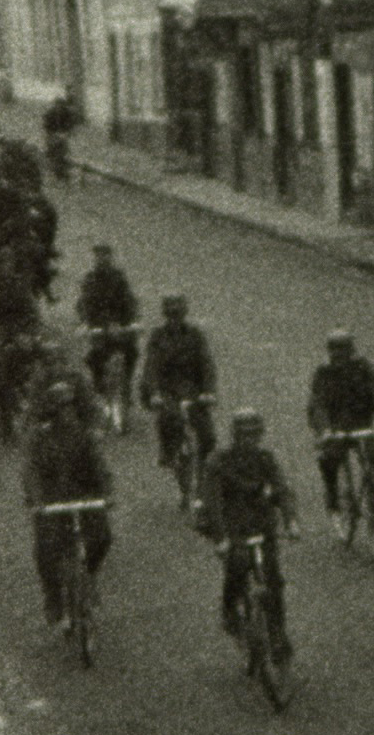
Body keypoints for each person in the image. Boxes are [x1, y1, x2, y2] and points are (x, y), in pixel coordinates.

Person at [202, 409, 300, 649]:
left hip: (261, 521)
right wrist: (220, 537)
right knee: (236, 563)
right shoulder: (219, 461)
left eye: (254, 435)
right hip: (231, 523)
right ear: (234, 436)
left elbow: (282, 489)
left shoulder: (265, 458)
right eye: (244, 435)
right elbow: (213, 501)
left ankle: (277, 632)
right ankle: (229, 610)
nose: (249, 440)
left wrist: (291, 521)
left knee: (274, 580)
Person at [21, 380, 114, 630]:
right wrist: (37, 500)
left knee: (103, 537)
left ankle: (90, 575)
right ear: (52, 411)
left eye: (70, 407)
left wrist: (106, 493)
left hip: (84, 497)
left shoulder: (84, 435)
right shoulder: (39, 439)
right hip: (51, 501)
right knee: (45, 551)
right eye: (62, 408)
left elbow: (100, 465)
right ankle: (53, 598)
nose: (67, 412)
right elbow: (31, 471)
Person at [306, 329, 374, 523]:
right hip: (336, 426)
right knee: (329, 458)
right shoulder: (323, 373)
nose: (340, 357)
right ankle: (332, 494)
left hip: (362, 422)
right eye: (336, 352)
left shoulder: (364, 367)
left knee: (373, 462)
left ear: (351, 351)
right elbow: (317, 404)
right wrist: (325, 430)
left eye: (344, 352)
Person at [140, 294, 217, 467]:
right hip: (166, 389)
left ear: (184, 314)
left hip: (193, 389)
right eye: (171, 315)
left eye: (178, 315)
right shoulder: (157, 336)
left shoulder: (195, 335)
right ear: (166, 315)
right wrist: (154, 393)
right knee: (167, 418)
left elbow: (206, 364)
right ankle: (167, 451)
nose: (175, 319)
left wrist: (209, 391)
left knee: (208, 436)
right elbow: (151, 366)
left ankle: (205, 470)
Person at [76, 244, 139, 405]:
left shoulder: (119, 278)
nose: (102, 260)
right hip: (98, 327)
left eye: (105, 256)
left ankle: (126, 387)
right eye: (98, 256)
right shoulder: (89, 279)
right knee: (94, 356)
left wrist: (132, 321)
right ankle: (99, 388)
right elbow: (84, 304)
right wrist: (85, 323)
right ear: (94, 259)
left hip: (119, 326)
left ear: (110, 258)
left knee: (131, 351)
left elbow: (129, 302)